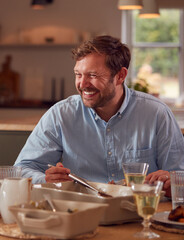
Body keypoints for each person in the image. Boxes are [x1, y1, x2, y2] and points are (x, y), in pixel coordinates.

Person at [14, 35, 184, 196]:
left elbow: (179, 175)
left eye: (93, 75)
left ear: (120, 76)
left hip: (141, 213)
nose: (82, 84)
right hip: (82, 212)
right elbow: (22, 169)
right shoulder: (61, 114)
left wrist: (171, 184)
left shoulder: (156, 114)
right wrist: (45, 179)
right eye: (78, 75)